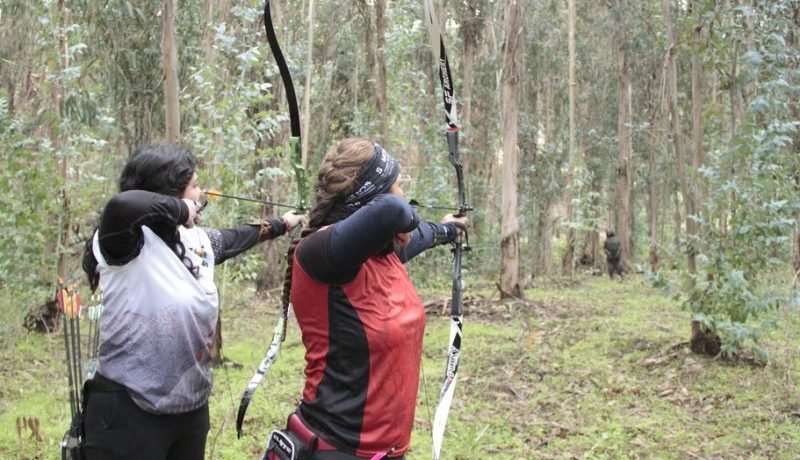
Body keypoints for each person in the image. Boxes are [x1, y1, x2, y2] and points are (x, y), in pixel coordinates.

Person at [80, 143, 304, 460]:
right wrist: (180, 208)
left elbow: (239, 236)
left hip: (190, 410)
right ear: (170, 193)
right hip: (128, 410)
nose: (202, 194)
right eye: (195, 186)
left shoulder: (195, 240)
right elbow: (121, 204)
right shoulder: (125, 242)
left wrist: (284, 222)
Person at [264, 138, 468, 460]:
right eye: (399, 184)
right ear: (372, 198)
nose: (403, 192)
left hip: (385, 451)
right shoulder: (319, 254)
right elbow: (393, 210)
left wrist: (449, 230)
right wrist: (405, 213)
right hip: (335, 448)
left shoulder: (383, 254)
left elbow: (421, 234)